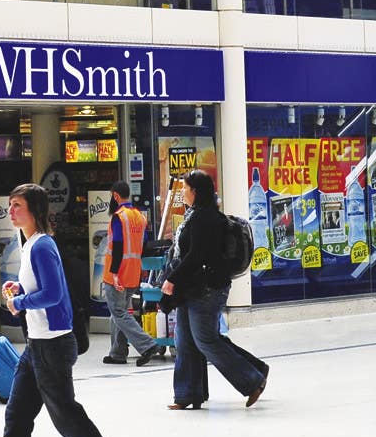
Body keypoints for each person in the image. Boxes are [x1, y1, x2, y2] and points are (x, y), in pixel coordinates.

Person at [0, 183, 127, 437]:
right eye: (11, 204)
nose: (11, 210)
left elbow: (54, 294)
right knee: (17, 414)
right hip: (38, 345)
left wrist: (21, 302)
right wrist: (20, 287)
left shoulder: (41, 245)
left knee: (65, 415)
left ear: (35, 210)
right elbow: (43, 286)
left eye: (17, 205)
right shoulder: (31, 245)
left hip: (52, 345)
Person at [160, 170, 268, 408]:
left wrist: (172, 279)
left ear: (195, 192)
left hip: (207, 289)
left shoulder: (204, 219)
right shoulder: (195, 215)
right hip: (193, 288)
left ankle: (253, 380)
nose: (182, 193)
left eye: (185, 189)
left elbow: (196, 256)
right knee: (185, 341)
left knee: (206, 340)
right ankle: (188, 394)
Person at [100, 181, 159, 367]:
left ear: (115, 196)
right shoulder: (139, 217)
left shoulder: (119, 217)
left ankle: (147, 345)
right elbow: (143, 244)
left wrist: (115, 273)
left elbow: (117, 245)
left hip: (117, 274)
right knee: (119, 313)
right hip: (134, 272)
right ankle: (118, 353)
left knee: (118, 312)